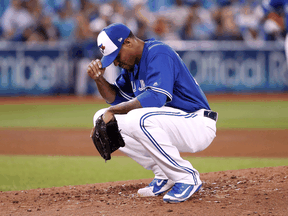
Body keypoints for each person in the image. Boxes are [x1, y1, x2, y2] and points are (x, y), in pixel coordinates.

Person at [87, 23, 218, 203]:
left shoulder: (158, 53)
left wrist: (113, 111)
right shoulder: (131, 67)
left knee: (134, 118)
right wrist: (99, 79)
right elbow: (117, 100)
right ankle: (164, 173)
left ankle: (187, 177)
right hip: (170, 122)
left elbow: (156, 98)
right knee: (101, 118)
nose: (116, 63)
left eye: (116, 56)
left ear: (128, 42)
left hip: (196, 122)